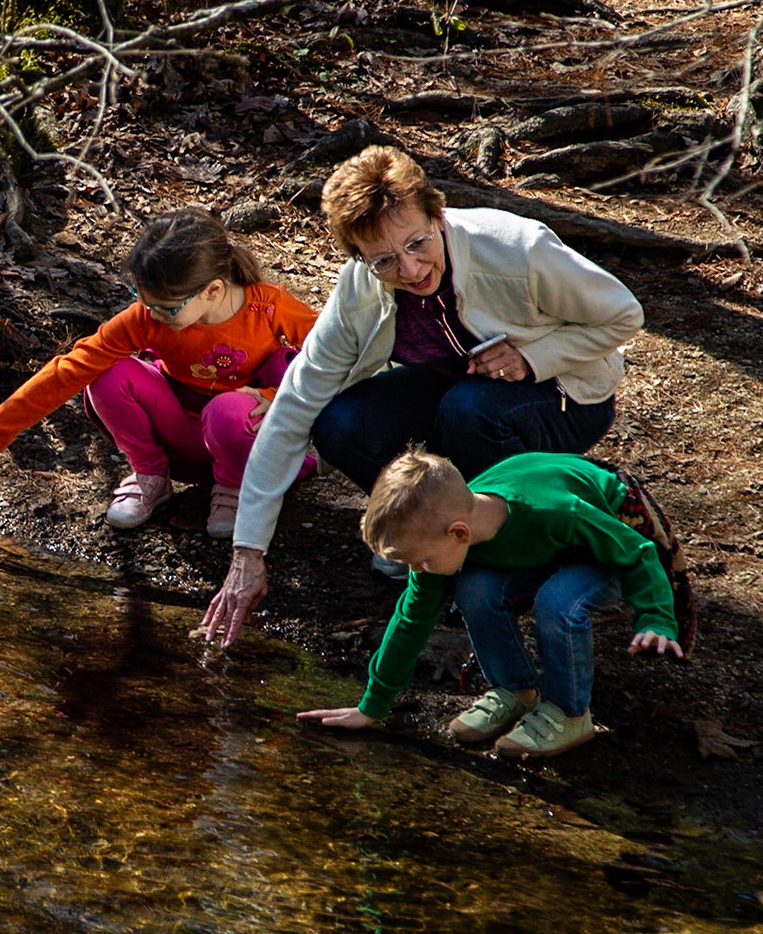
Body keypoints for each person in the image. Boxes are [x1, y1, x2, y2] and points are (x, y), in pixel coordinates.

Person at [201, 145, 643, 645]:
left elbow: (623, 314)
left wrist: (533, 356)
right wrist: (248, 551)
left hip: (565, 393)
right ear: (359, 258)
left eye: (417, 243)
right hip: (457, 386)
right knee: (339, 423)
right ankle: (430, 539)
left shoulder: (514, 247)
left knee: (468, 411)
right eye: (384, 260)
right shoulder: (360, 290)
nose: (409, 271)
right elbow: (296, 403)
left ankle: (511, 556)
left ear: (437, 214)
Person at [0, 208, 317, 537]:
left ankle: (234, 488)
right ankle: (151, 477)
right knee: (106, 374)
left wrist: (273, 398)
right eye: (141, 299)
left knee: (226, 412)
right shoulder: (147, 318)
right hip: (182, 434)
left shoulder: (270, 307)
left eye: (165, 306)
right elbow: (69, 370)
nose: (152, 313)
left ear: (212, 290)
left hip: (245, 438)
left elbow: (334, 355)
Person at [297, 447, 684, 759]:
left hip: (609, 540)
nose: (416, 570)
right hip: (547, 547)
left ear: (459, 533)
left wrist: (656, 618)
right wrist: (372, 706)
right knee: (474, 589)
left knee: (557, 601)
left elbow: (636, 551)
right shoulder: (453, 529)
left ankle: (570, 713)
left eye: (419, 560)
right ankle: (515, 690)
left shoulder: (555, 510)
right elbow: (412, 618)